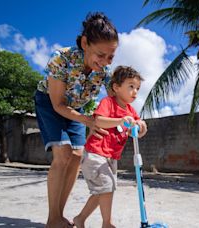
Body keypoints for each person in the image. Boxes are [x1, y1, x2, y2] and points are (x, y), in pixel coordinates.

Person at [34, 12, 120, 228]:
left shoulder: (105, 72)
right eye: (101, 55)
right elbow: (58, 105)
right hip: (50, 103)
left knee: (77, 155)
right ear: (85, 43)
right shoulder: (61, 59)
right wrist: (88, 121)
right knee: (62, 154)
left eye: (110, 57)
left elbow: (118, 100)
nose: (105, 62)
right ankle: (53, 218)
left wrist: (134, 120)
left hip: (77, 108)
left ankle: (59, 215)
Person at [73, 66, 148, 228]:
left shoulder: (131, 110)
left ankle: (80, 218)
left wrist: (141, 127)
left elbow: (133, 132)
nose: (135, 92)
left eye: (137, 88)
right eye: (131, 86)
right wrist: (120, 121)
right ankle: (107, 223)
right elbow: (99, 121)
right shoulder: (108, 103)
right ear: (116, 87)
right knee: (106, 188)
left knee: (105, 190)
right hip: (96, 153)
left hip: (111, 157)